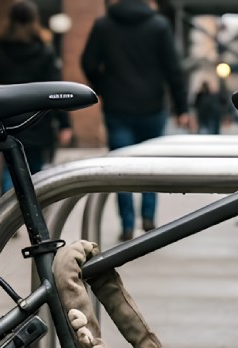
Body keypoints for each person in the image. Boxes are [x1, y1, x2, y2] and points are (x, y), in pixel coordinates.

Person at [81, 0, 190, 241]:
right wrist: (182, 106)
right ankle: (149, 219)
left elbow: (88, 62)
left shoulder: (104, 25)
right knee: (150, 164)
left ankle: (127, 225)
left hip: (117, 107)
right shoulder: (159, 25)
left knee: (120, 167)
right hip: (152, 107)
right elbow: (174, 69)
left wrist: (103, 87)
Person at [0, 0, 74, 195]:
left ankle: (6, 219)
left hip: (6, 120)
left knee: (9, 168)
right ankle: (30, 214)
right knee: (35, 173)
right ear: (35, 20)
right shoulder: (44, 51)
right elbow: (54, 90)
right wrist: (64, 124)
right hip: (36, 121)